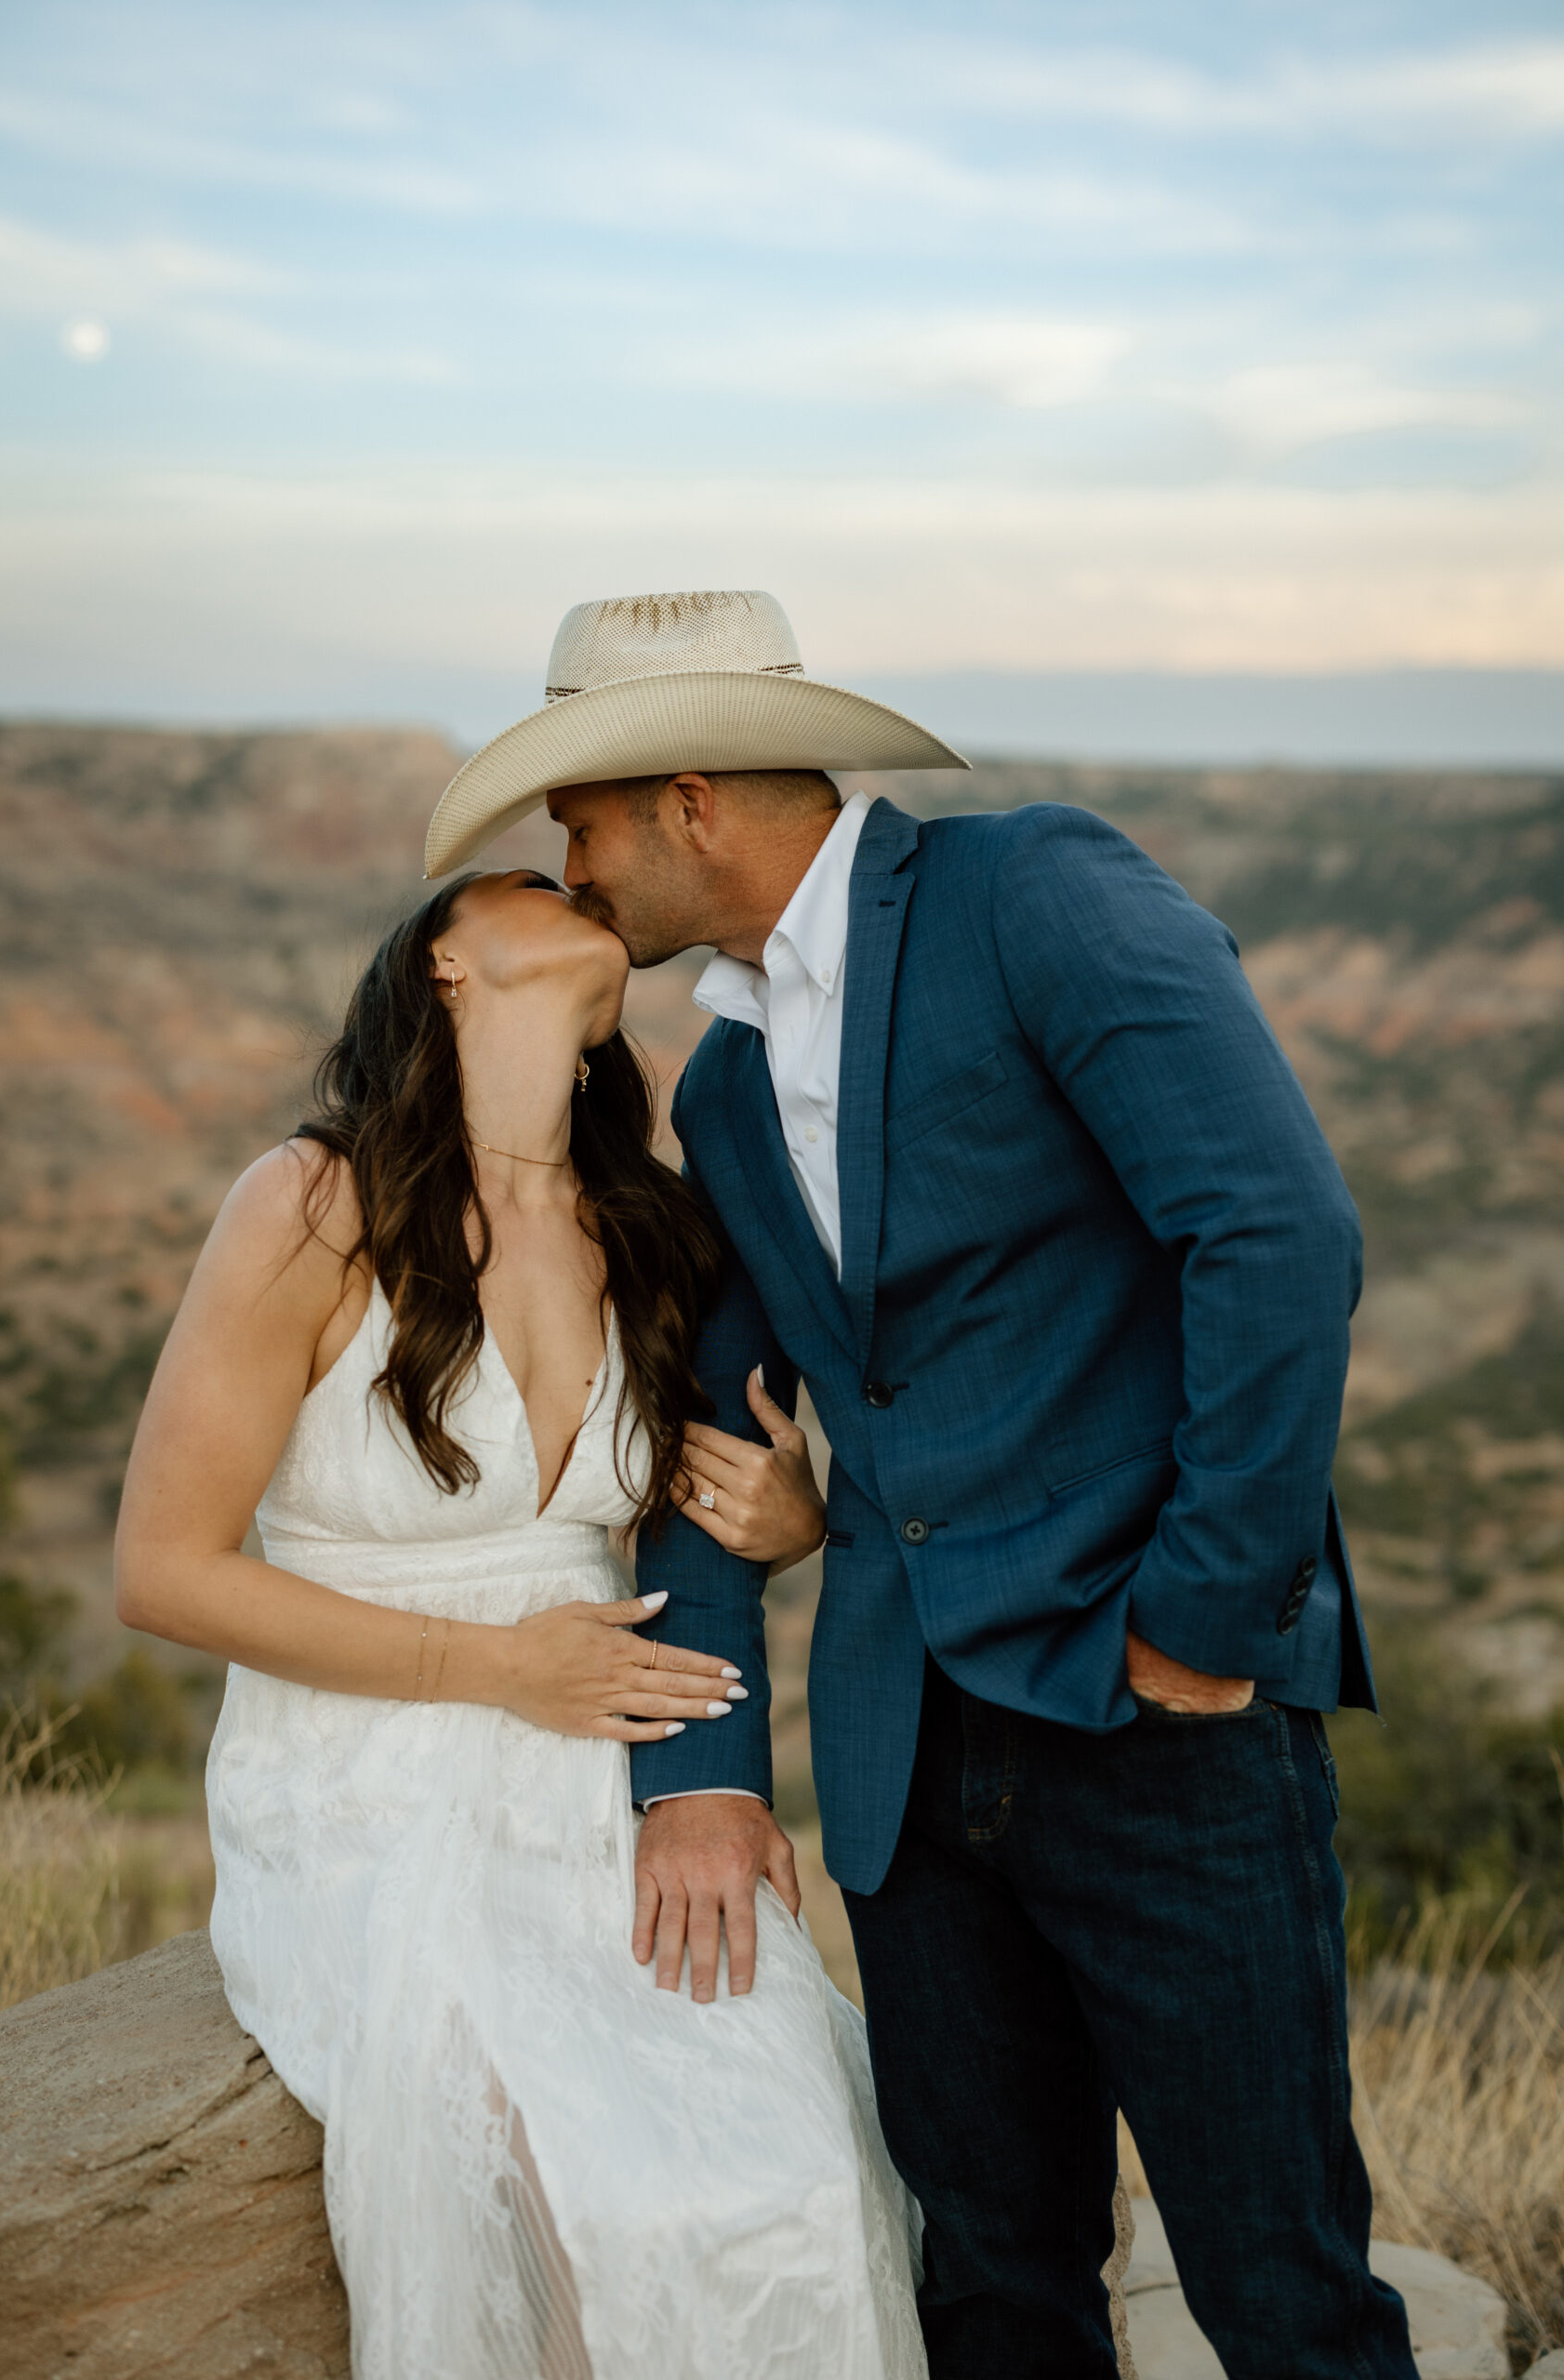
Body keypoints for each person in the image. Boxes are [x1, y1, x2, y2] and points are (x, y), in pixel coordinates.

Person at [422, 587, 1420, 2378]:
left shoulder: (1027, 893)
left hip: (1162, 1732)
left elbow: (1275, 1237)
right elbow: (695, 1436)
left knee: (1281, 2293)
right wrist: (703, 1783)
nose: (571, 867)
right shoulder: (721, 1089)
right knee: (992, 2288)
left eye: (580, 820)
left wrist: (1200, 1625)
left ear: (691, 794)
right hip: (908, 1777)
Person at [113, 862, 928, 2379]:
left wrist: (799, 1525)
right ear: (443, 966)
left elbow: (696, 1520)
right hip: (372, 1773)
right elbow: (162, 1569)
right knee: (571, 2198)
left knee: (801, 2168)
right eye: (524, 881)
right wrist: (490, 1667)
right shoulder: (313, 1202)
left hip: (606, 1762)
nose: (576, 888)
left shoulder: (656, 1229)